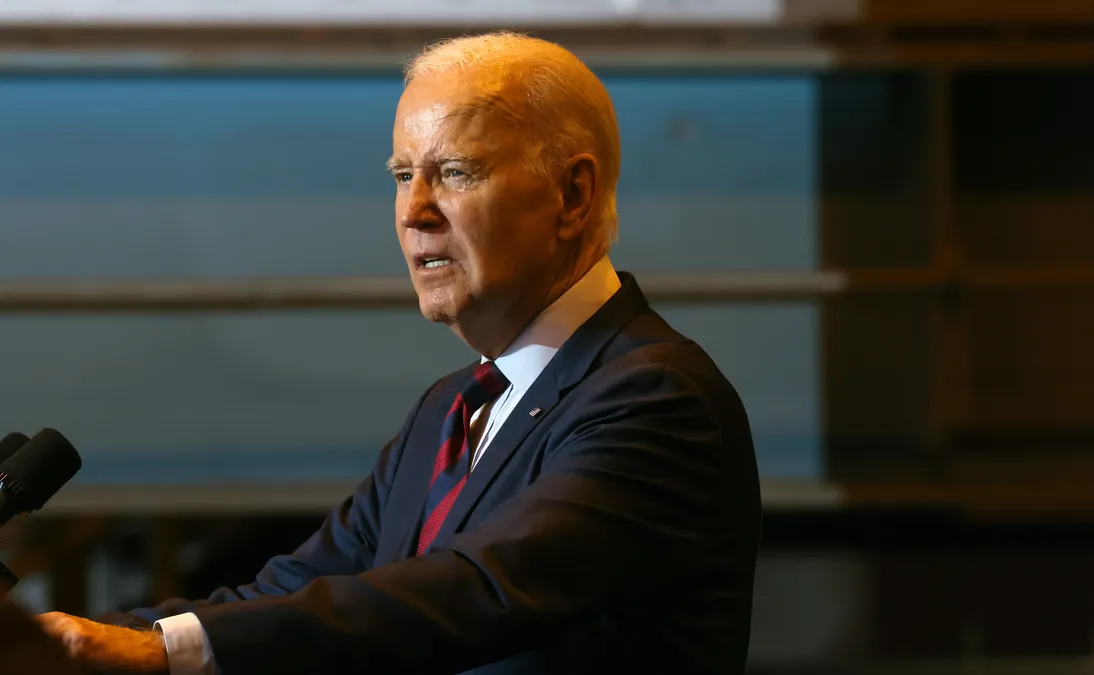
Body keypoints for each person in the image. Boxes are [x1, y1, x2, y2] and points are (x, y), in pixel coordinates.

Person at [36, 31, 762, 675]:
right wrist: (75, 639)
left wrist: (160, 652)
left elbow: (473, 588)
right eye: (401, 175)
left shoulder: (656, 397)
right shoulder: (451, 405)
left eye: (454, 173)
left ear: (572, 195)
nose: (414, 211)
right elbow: (299, 587)